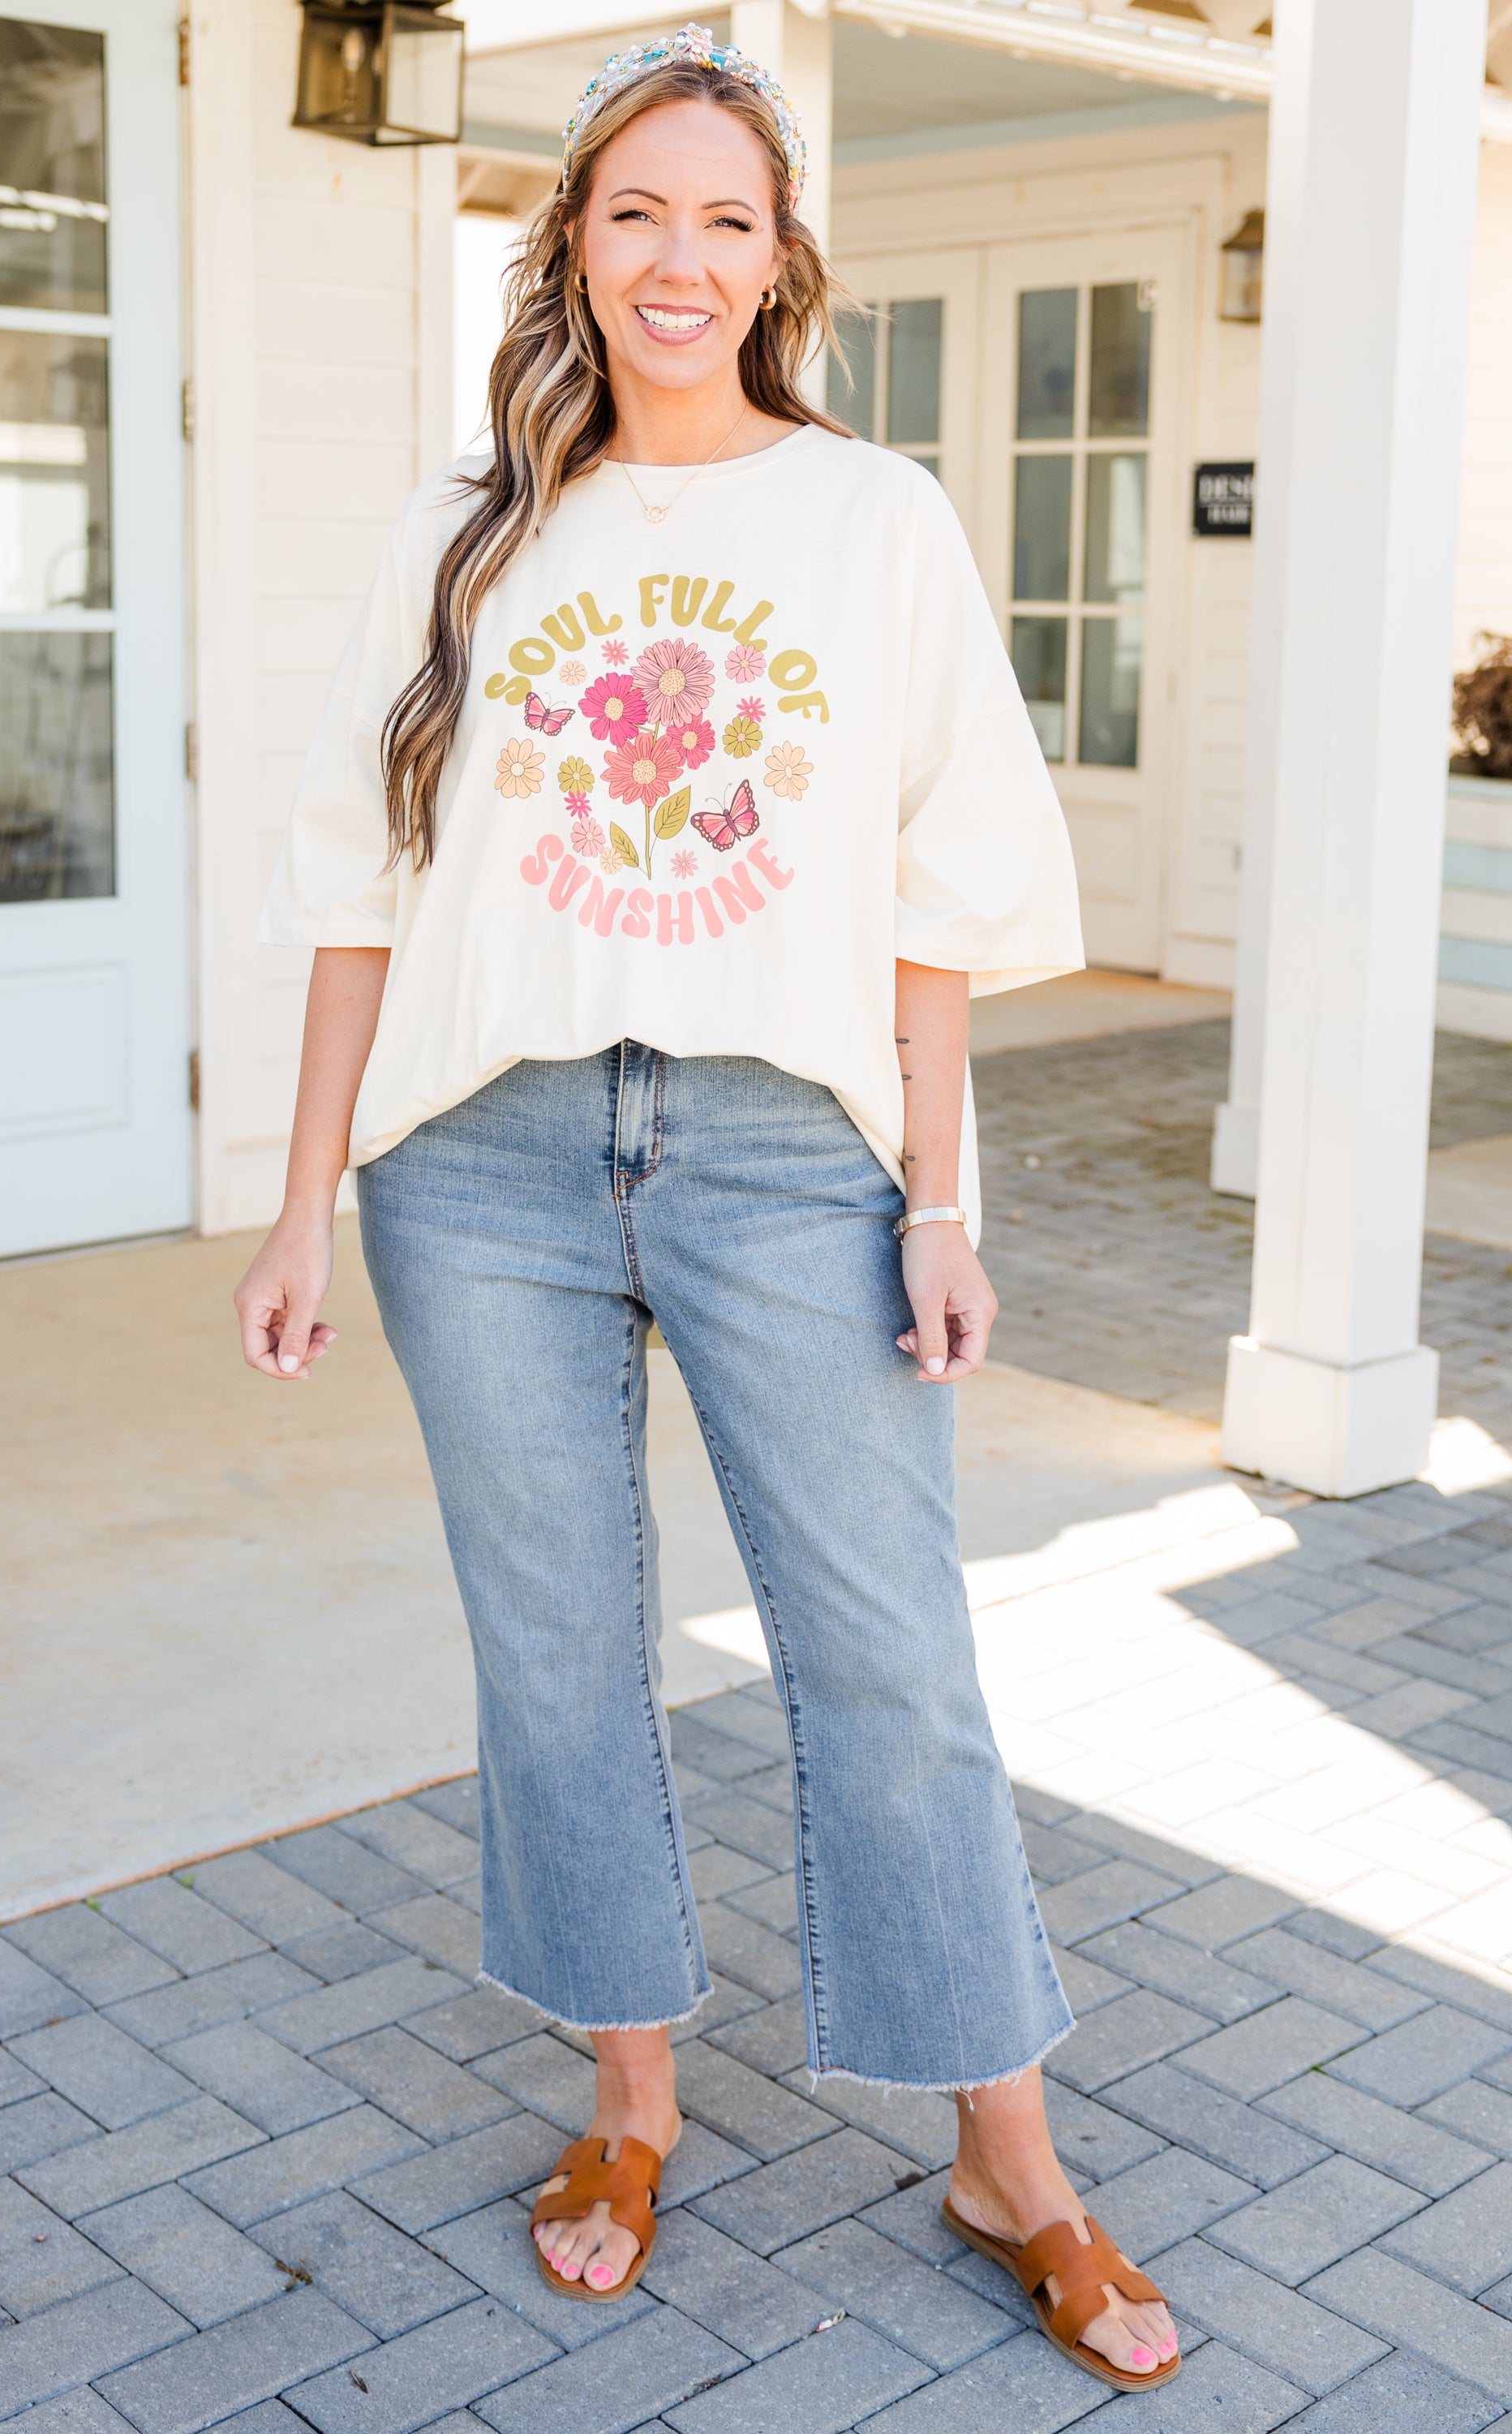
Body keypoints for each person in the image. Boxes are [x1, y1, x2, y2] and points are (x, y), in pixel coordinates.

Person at [235, 20, 1180, 2393]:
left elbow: (937, 897)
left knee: (898, 1671)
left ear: (782, 265)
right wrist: (301, 1202)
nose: (677, 257)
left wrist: (938, 1200)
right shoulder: (468, 524)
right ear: (572, 238)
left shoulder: (874, 520)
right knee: (561, 1661)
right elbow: (367, 888)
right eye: (634, 210)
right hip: (483, 1164)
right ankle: (628, 2111)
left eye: (724, 219)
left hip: (788, 1155)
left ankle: (1011, 2157)